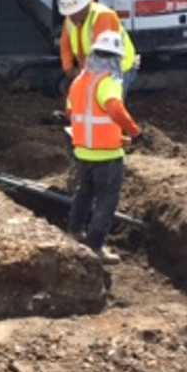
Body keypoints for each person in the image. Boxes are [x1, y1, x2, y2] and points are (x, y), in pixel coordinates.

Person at [66, 29, 142, 264]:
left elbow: (75, 113)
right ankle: (95, 246)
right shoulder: (108, 82)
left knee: (84, 195)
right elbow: (114, 109)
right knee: (106, 202)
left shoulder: (79, 82)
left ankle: (74, 232)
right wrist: (134, 131)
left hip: (83, 152)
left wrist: (116, 137)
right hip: (107, 157)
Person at [57, 0, 140, 97]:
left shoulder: (103, 16)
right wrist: (69, 69)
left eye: (74, 12)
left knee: (106, 100)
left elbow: (104, 54)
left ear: (86, 6)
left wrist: (82, 75)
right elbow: (65, 45)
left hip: (117, 68)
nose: (71, 16)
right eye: (69, 13)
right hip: (93, 70)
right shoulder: (71, 20)